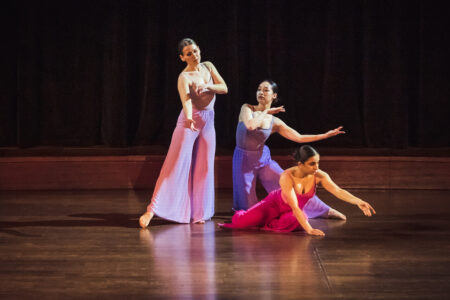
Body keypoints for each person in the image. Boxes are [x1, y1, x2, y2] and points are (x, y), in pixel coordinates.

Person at [139, 38, 228, 227]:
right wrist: (188, 117)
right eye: (188, 53)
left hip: (208, 121)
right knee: (175, 164)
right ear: (182, 57)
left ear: (199, 50)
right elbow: (186, 100)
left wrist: (208, 86)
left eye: (195, 51)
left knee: (204, 166)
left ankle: (198, 213)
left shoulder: (208, 66)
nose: (194, 55)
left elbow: (224, 88)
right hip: (190, 121)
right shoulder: (184, 77)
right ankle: (151, 210)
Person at [233, 79, 346, 220]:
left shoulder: (275, 122)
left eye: (266, 90)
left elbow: (299, 137)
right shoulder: (247, 108)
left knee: (289, 182)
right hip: (244, 160)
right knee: (249, 212)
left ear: (274, 95)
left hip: (263, 158)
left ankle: (323, 210)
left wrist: (325, 135)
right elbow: (251, 125)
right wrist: (266, 111)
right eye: (259, 89)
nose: (261, 92)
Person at [222, 145, 376, 235]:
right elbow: (294, 205)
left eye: (318, 163)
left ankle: (269, 224)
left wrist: (358, 201)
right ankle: (257, 218)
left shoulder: (319, 176)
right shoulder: (287, 176)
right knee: (241, 223)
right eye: (312, 164)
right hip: (272, 206)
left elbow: (337, 190)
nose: (317, 167)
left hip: (291, 212)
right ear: (300, 164)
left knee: (299, 218)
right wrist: (309, 230)